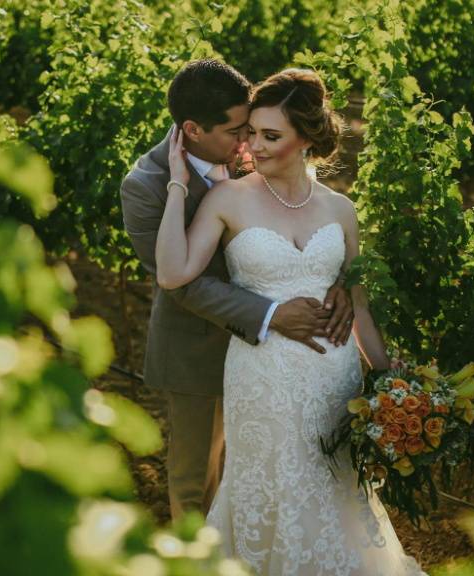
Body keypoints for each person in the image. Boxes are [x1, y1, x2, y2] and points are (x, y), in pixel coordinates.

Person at [155, 67, 427, 575]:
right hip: (262, 379)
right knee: (269, 485)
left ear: (306, 140)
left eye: (269, 136)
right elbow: (174, 274)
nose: (252, 147)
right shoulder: (228, 198)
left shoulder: (341, 209)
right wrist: (175, 185)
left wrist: (393, 379)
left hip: (333, 374)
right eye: (251, 133)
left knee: (335, 486)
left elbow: (358, 305)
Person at [120, 60, 354, 521]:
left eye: (255, 128)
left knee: (271, 477)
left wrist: (337, 284)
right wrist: (271, 313)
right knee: (197, 483)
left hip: (285, 359)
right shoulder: (145, 187)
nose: (248, 141)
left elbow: (302, 220)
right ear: (193, 129)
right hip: (200, 350)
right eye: (237, 132)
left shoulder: (254, 150)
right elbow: (184, 285)